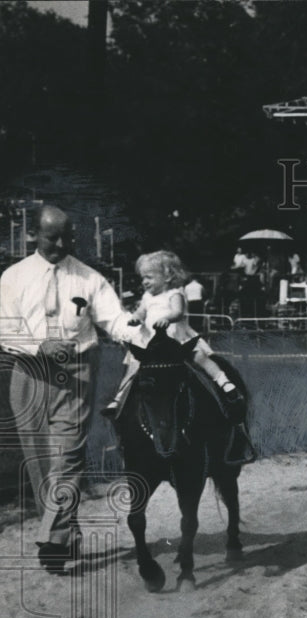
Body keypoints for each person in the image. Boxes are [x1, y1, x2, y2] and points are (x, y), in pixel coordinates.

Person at [0, 205, 144, 572]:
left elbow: (115, 318)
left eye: (67, 237)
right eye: (52, 237)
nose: (61, 244)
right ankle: (67, 529)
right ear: (34, 235)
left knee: (67, 455)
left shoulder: (89, 278)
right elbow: (5, 328)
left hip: (76, 370)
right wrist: (39, 346)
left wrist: (144, 336)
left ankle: (54, 542)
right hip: (29, 371)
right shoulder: (12, 278)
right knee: (41, 461)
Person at [103, 250, 245, 420]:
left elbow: (178, 312)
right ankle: (119, 399)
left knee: (199, 357)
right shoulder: (147, 297)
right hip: (149, 340)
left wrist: (166, 318)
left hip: (175, 337)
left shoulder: (175, 294)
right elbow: (141, 312)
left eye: (149, 277)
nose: (144, 282)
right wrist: (136, 319)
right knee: (133, 367)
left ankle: (223, 382)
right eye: (143, 278)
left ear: (168, 276)